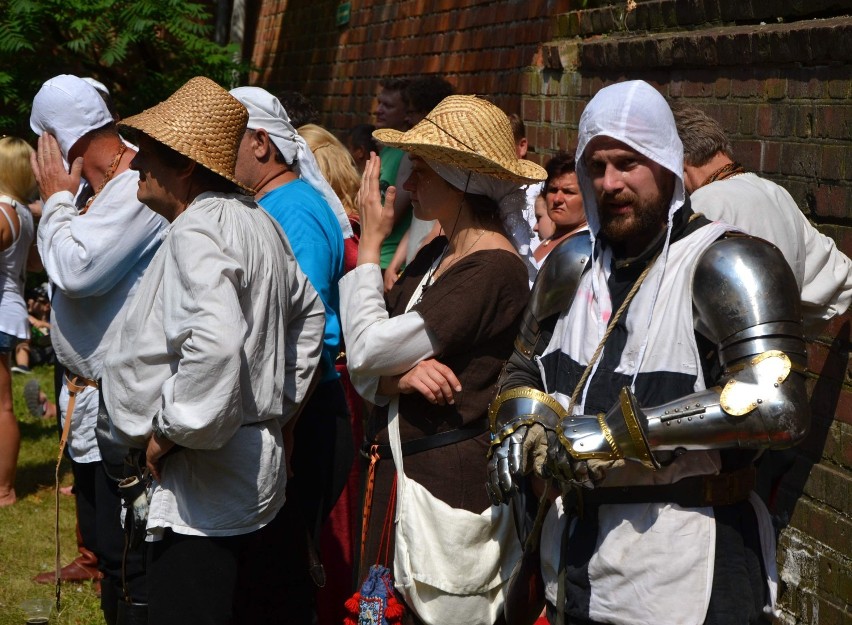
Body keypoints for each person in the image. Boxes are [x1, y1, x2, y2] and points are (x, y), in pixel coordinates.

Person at [487, 80, 810, 625]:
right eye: (597, 165)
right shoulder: (570, 267)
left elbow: (779, 408)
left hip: (688, 563)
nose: (609, 182)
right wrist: (524, 424)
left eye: (628, 163)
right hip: (576, 562)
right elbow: (524, 368)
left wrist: (616, 436)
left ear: (664, 162)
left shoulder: (727, 262)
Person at [100, 76, 325, 625]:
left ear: (184, 165)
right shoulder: (258, 223)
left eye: (147, 154)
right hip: (241, 469)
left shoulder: (198, 230)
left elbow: (218, 344)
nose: (133, 166)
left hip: (202, 484)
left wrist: (173, 432)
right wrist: (277, 404)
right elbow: (310, 315)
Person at [340, 94, 545, 623]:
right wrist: (397, 382)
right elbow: (363, 354)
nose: (408, 184)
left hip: (441, 488)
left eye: (423, 171)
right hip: (401, 471)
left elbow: (367, 347)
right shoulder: (439, 252)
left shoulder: (492, 269)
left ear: (462, 181)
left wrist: (368, 253)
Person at [29, 74, 168, 620]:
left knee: (130, 558)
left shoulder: (136, 183)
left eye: (45, 141)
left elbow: (78, 269)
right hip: (89, 401)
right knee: (111, 554)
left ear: (61, 140)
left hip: (127, 407)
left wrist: (58, 201)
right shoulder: (95, 190)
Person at [229, 86, 352, 623]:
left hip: (304, 410)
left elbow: (308, 331)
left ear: (260, 143)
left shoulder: (294, 208)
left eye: (227, 140)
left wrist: (285, 424)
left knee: (282, 582)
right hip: (291, 410)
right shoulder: (276, 202)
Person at [672, 103, 852, 331]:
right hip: (780, 354)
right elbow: (840, 275)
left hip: (725, 358)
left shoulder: (703, 204)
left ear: (678, 159)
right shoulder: (776, 192)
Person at [0, 136, 38, 507]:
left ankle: (4, 489)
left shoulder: (2, 210)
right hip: (9, 308)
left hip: (1, 311)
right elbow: (32, 264)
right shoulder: (23, 211)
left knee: (2, 406)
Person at [531, 152, 587, 266]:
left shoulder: (586, 245)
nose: (557, 199)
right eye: (553, 190)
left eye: (568, 192)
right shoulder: (546, 240)